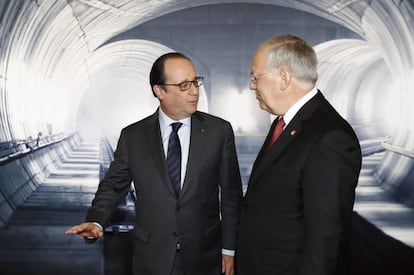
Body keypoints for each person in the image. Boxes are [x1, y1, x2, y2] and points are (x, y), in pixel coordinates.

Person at [66, 52, 242, 275]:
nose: (195, 91)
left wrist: (230, 249)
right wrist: (97, 220)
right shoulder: (133, 136)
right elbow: (113, 186)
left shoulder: (219, 131)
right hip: (152, 258)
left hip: (205, 257)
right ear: (159, 91)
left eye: (196, 82)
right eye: (184, 85)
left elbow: (231, 196)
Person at [236, 35, 362, 275]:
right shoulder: (286, 122)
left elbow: (325, 240)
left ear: (283, 78)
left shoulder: (329, 137)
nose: (252, 86)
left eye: (255, 77)